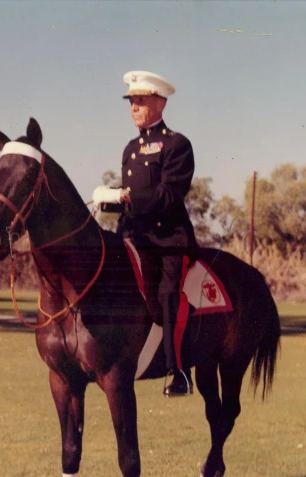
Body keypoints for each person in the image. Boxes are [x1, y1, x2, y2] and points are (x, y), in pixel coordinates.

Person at [115, 70, 199, 397]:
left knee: (167, 297)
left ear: (160, 103)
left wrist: (129, 197)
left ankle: (178, 370)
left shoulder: (177, 144)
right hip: (135, 239)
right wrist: (107, 199)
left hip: (167, 242)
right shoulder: (129, 149)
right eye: (131, 102)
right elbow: (129, 202)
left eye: (140, 101)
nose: (133, 107)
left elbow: (169, 196)